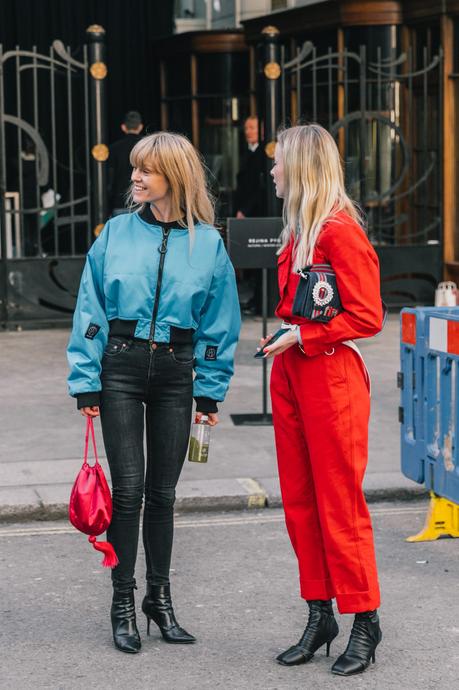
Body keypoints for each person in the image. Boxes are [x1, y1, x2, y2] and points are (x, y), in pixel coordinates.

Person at [67, 131, 241, 654]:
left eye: (147, 170)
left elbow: (219, 323)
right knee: (128, 492)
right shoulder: (115, 234)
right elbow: (90, 309)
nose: (136, 177)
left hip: (176, 374)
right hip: (118, 369)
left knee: (163, 495)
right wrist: (86, 381)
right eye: (135, 168)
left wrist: (209, 394)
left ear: (175, 177)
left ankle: (158, 600)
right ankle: (123, 601)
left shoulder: (208, 243)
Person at [260, 124, 383, 676]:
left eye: (278, 161)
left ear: (302, 167)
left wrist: (303, 336)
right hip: (292, 372)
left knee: (339, 503)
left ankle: (365, 619)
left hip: (330, 375)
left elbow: (367, 316)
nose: (271, 171)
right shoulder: (299, 231)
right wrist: (289, 338)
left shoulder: (339, 231)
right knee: (300, 501)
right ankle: (320, 611)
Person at [234, 116, 266, 314]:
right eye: (246, 127)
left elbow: (259, 189)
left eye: (252, 127)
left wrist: (244, 210)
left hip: (256, 213)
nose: (248, 131)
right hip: (247, 210)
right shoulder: (246, 151)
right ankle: (255, 299)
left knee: (258, 257)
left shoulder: (263, 154)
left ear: (261, 131)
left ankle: (259, 300)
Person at [108, 110, 144, 215]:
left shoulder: (113, 148)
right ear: (140, 127)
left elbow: (109, 179)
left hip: (119, 202)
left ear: (123, 127)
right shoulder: (147, 147)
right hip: (143, 203)